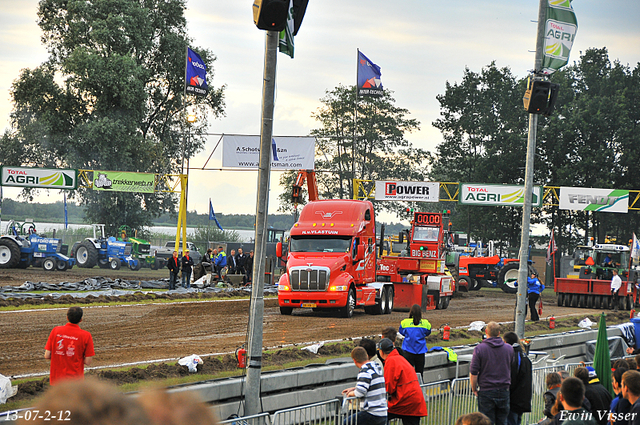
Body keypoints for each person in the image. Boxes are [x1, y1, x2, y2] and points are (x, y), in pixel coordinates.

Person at [18, 378, 151, 425]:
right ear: (80, 319)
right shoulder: (116, 412)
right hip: (77, 385)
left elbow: (47, 355)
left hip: (58, 389)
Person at [469, 322, 514, 425]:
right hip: (504, 389)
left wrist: (474, 388)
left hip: (486, 390)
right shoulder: (509, 349)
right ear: (499, 333)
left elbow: (474, 372)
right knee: (502, 421)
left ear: (486, 332)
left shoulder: (479, 349)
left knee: (486, 422)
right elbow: (510, 365)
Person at [376, 338, 427, 425]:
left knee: (378, 415)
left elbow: (389, 388)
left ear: (381, 352)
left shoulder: (391, 361)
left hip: (404, 401)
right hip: (414, 400)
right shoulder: (400, 358)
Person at [44, 307, 95, 386]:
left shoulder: (55, 330)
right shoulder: (86, 335)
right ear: (81, 320)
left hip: (56, 380)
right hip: (75, 381)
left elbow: (47, 355)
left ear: (67, 318)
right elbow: (88, 361)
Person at [341, 346, 387, 425]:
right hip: (383, 412)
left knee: (346, 422)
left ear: (354, 360)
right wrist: (354, 389)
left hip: (372, 412)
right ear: (367, 356)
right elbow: (371, 385)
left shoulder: (365, 370)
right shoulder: (376, 367)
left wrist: (350, 394)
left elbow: (360, 392)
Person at [503, 332, 532, 425]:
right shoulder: (523, 356)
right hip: (522, 398)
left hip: (514, 399)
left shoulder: (514, 357)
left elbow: (512, 378)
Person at [398, 304, 432, 375]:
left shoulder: (405, 322)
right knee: (420, 374)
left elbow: (401, 331)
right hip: (420, 352)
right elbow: (428, 332)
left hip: (407, 351)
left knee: (407, 374)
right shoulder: (425, 323)